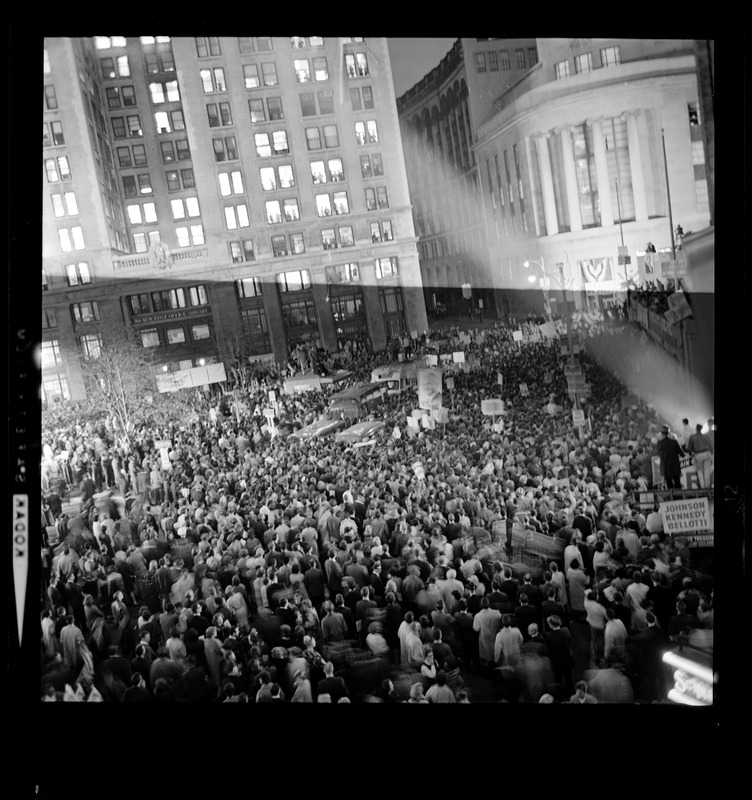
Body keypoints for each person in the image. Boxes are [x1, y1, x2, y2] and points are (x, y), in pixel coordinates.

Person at [684, 424, 714, 489]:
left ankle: (703, 488)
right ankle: (707, 487)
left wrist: (687, 450)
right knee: (707, 471)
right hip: (707, 454)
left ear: (696, 429)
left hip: (698, 455)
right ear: (701, 429)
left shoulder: (692, 437)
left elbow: (689, 448)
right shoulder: (706, 436)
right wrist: (711, 455)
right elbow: (711, 446)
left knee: (700, 472)